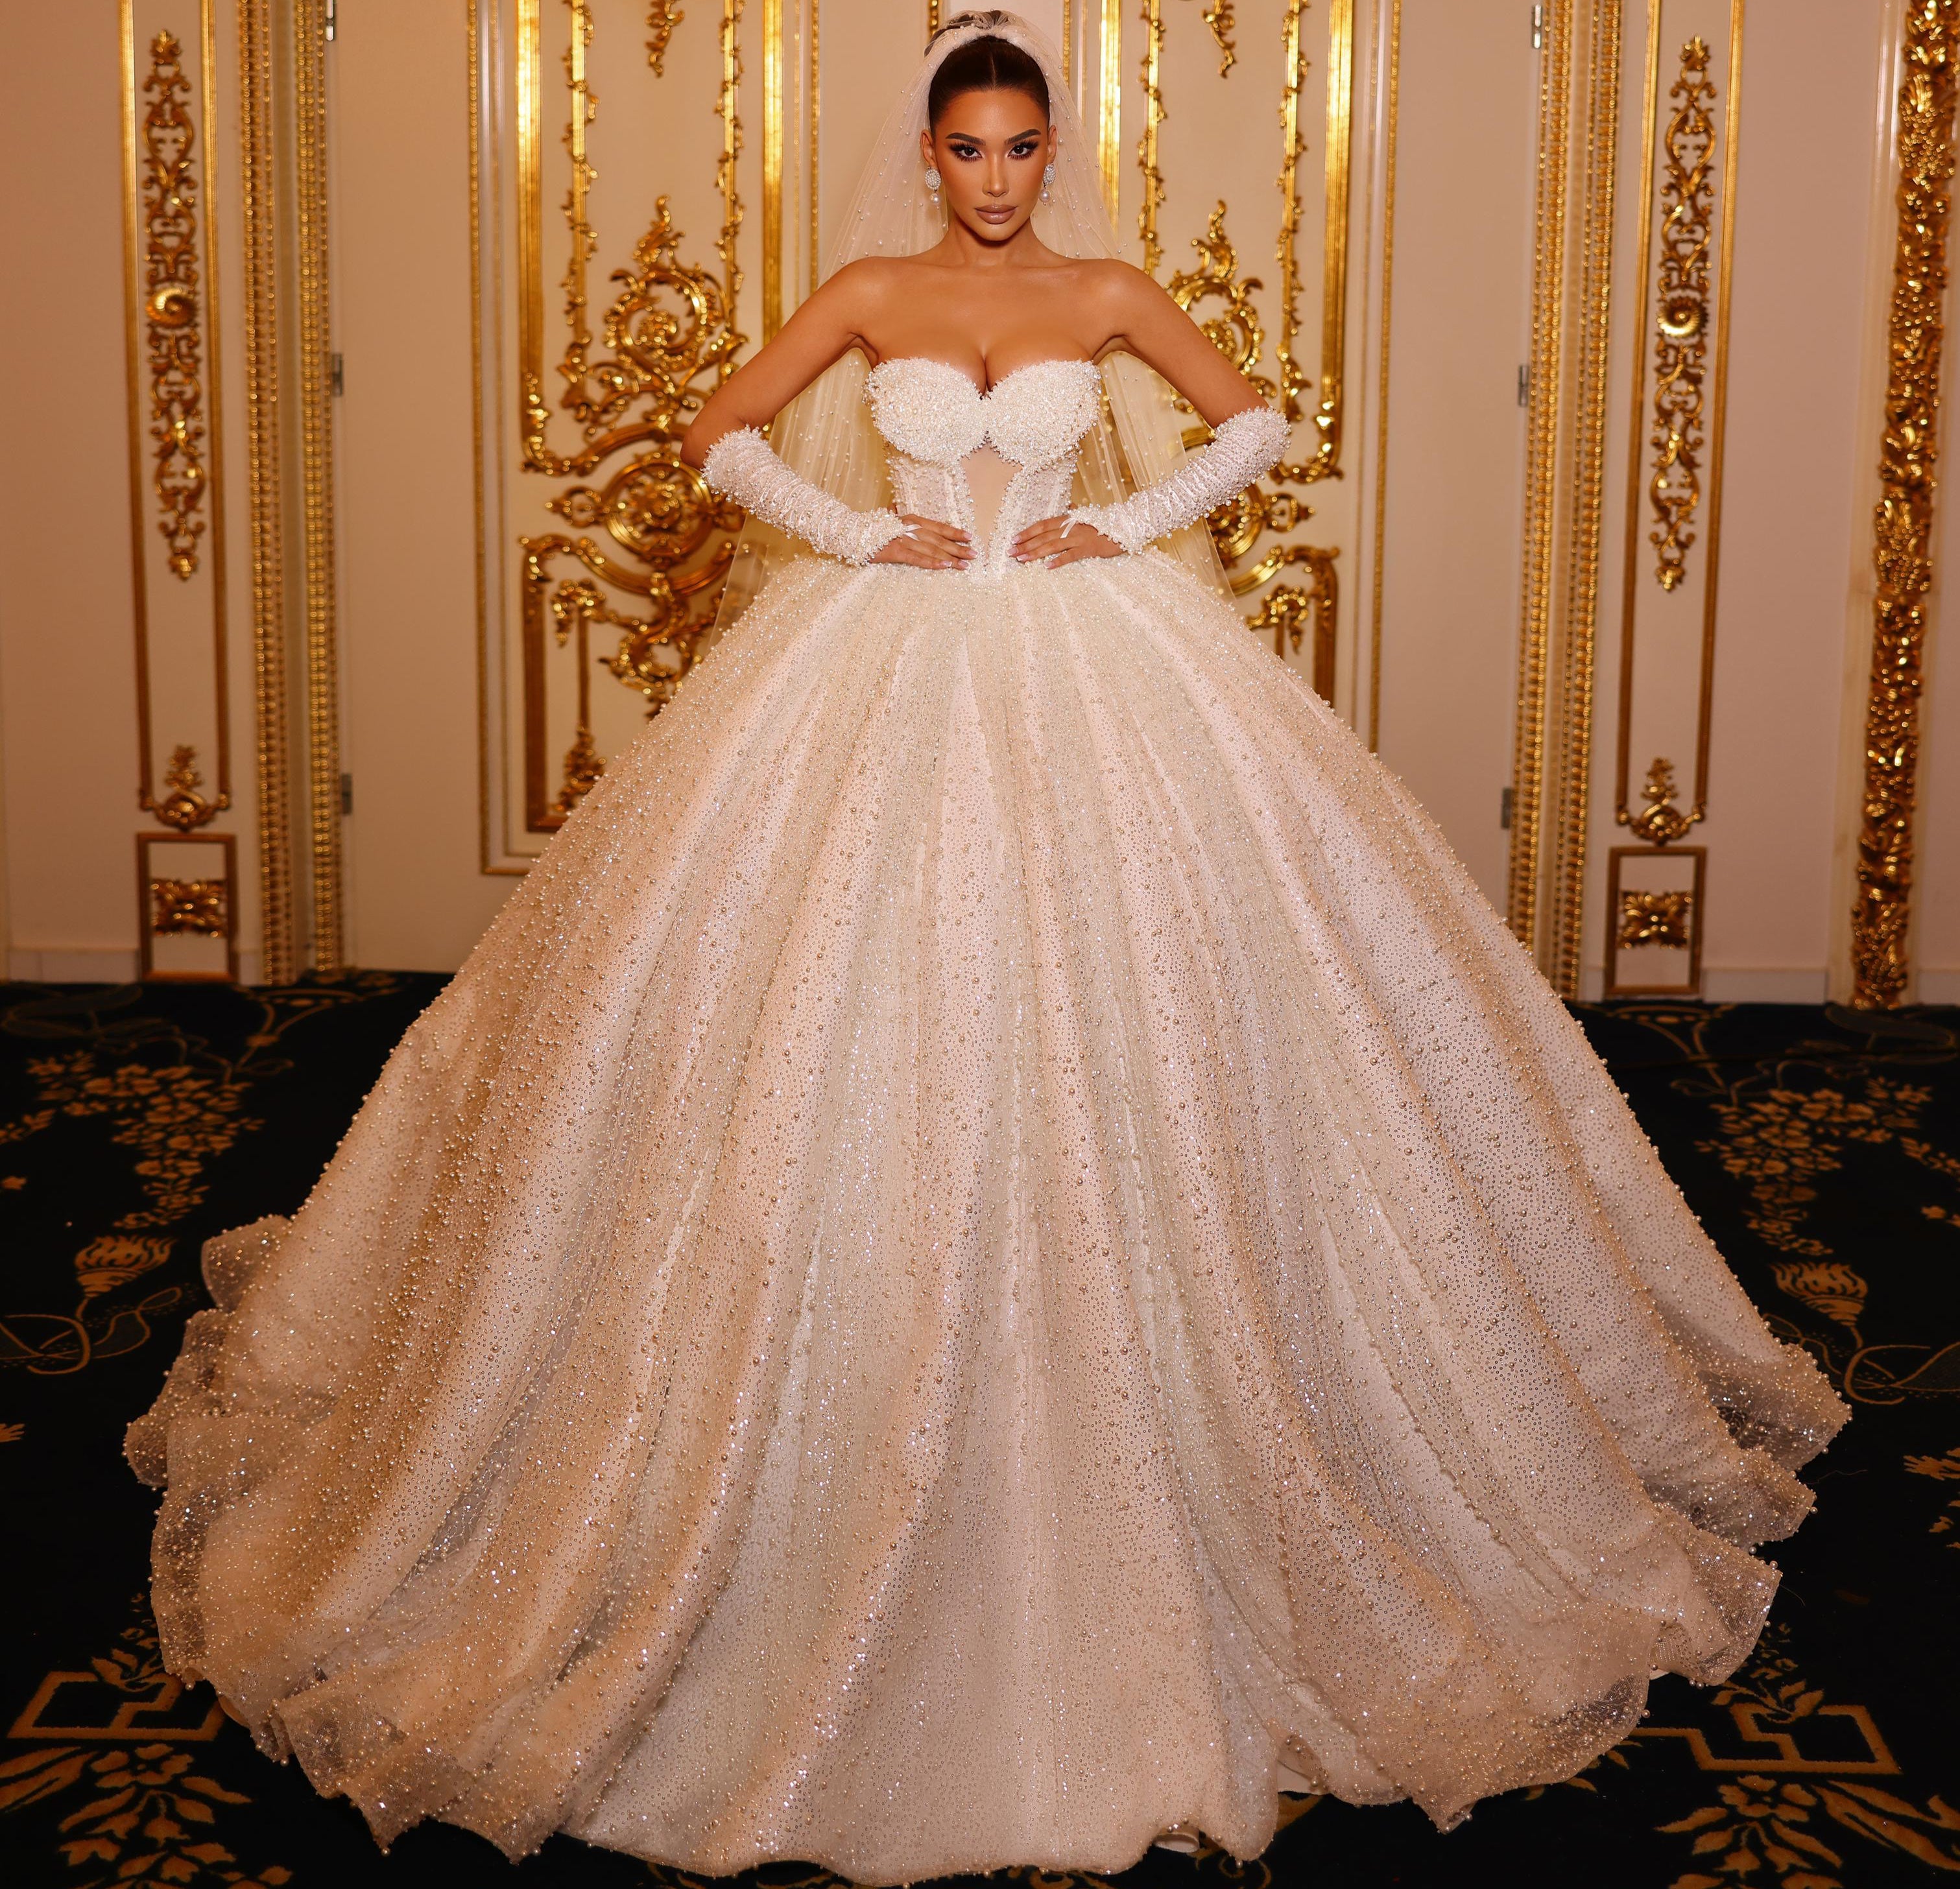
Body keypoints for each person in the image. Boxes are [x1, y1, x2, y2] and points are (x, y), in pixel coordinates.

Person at [127, 12, 1846, 1883]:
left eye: (1026, 146)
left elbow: (1256, 415)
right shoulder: (867, 288)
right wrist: (861, 533)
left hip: (1096, 659)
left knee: (1185, 1017)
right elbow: (715, 435)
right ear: (931, 153)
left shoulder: (1108, 286)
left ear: (1053, 151)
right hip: (880, 655)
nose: (1001, 177)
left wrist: (1131, 513)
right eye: (973, 148)